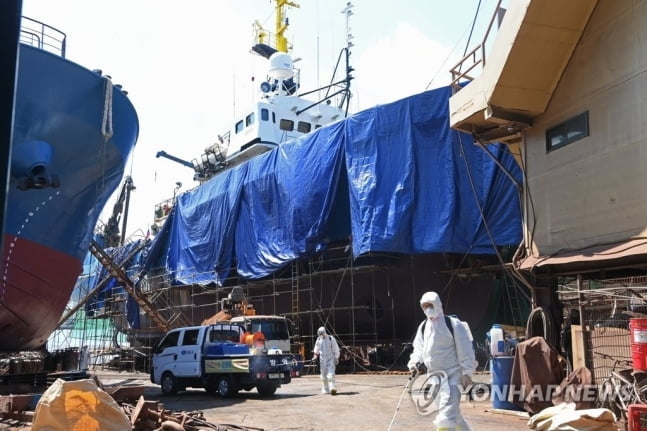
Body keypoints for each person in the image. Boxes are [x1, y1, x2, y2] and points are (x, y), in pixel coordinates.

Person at [407, 291, 476, 431]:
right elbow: (419, 349)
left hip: (453, 377)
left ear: (438, 304)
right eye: (424, 306)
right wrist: (414, 363)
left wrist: (467, 372)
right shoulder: (423, 327)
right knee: (453, 416)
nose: (428, 309)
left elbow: (465, 349)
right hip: (434, 379)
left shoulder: (453, 324)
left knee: (446, 418)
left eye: (430, 305)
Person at [313, 326, 340, 395]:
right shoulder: (319, 339)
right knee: (323, 375)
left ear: (325, 332)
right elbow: (316, 349)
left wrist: (336, 357)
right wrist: (315, 356)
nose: (322, 336)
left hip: (330, 359)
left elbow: (336, 349)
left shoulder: (331, 339)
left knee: (331, 374)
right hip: (322, 360)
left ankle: (332, 388)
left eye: (322, 334)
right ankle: (325, 388)